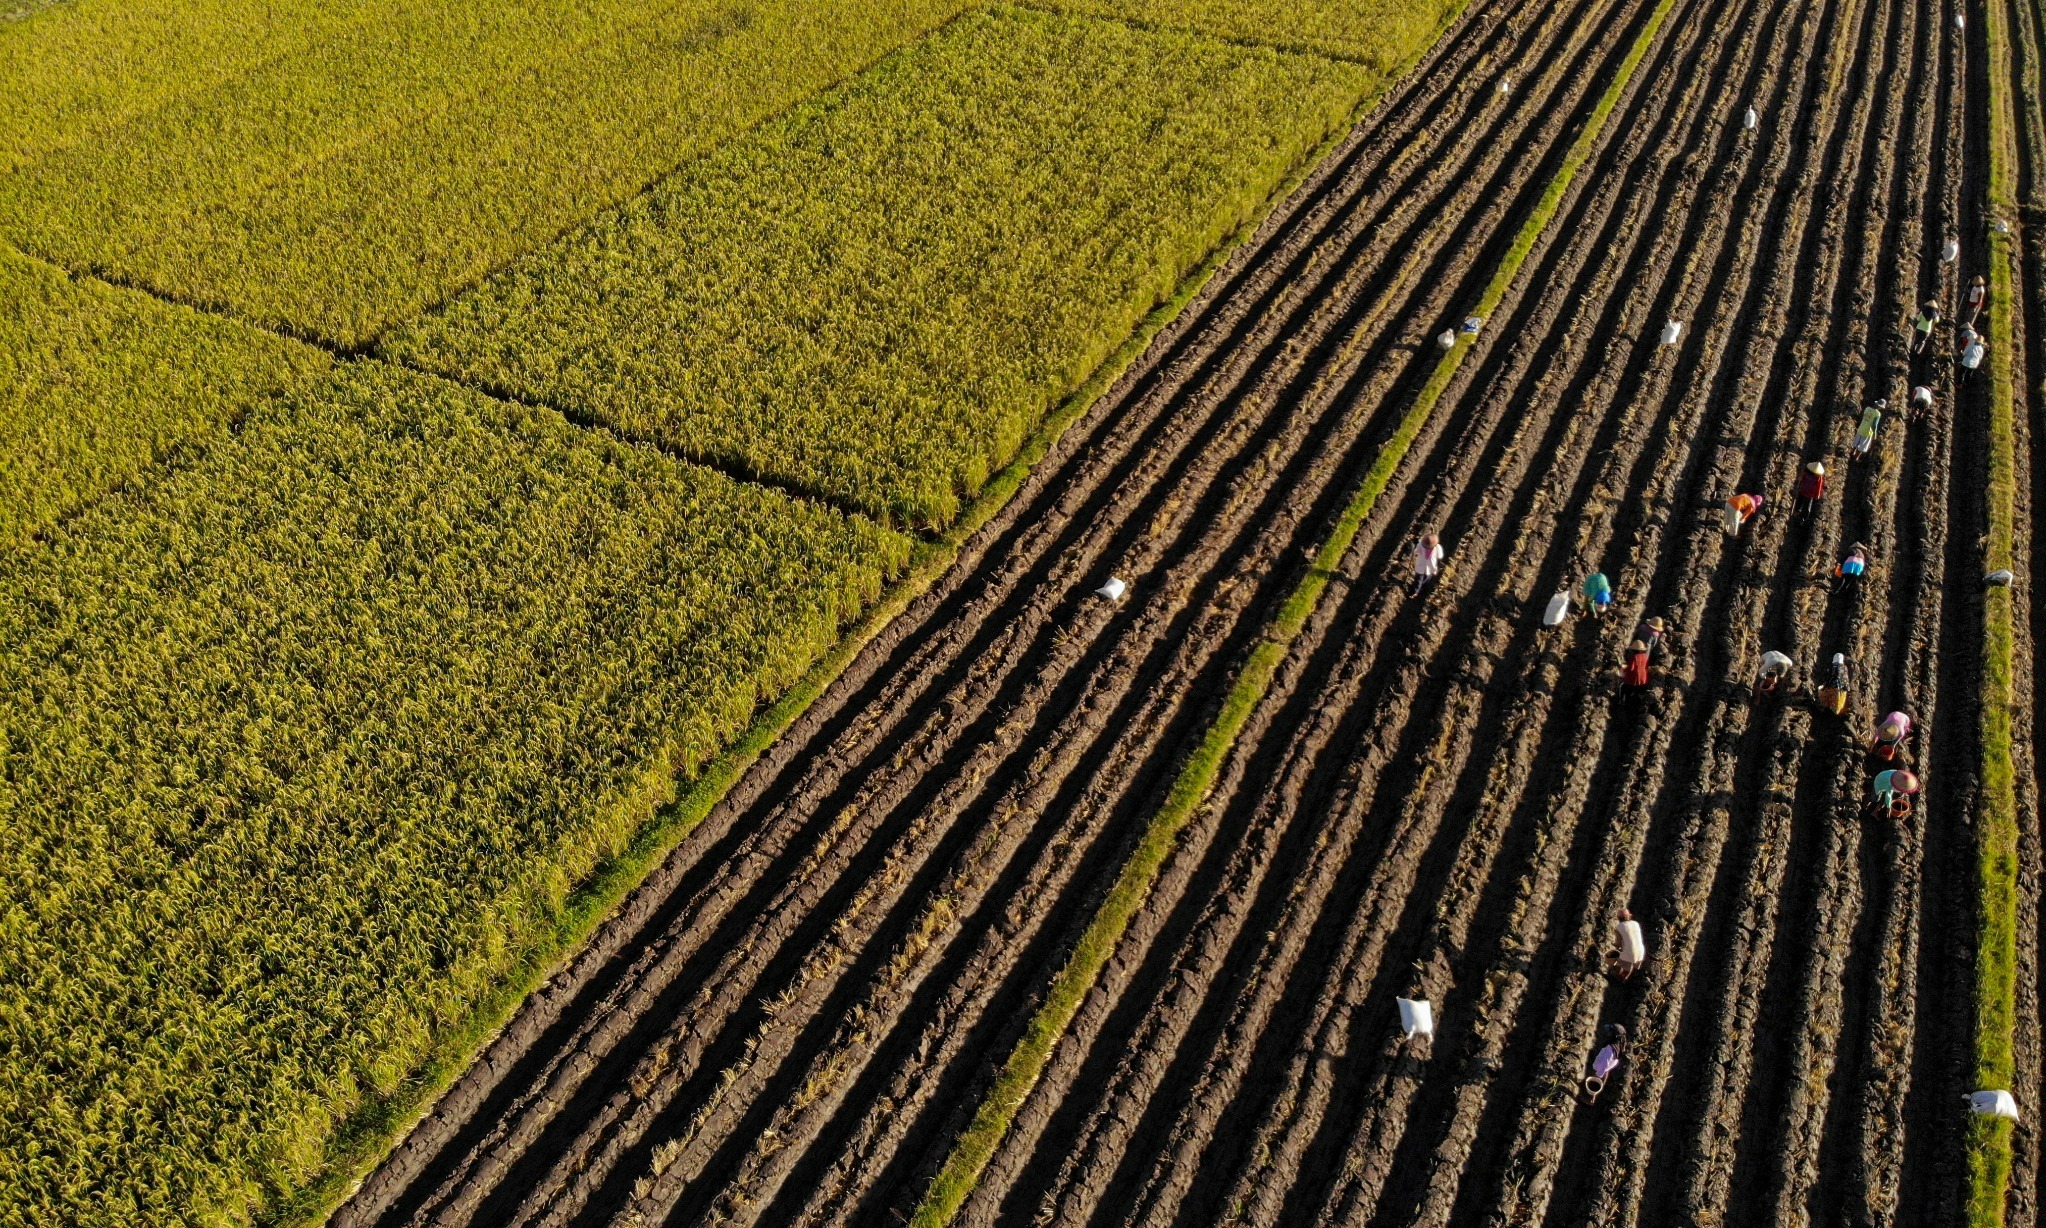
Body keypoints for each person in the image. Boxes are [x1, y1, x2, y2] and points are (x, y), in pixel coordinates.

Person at [1585, 1023, 1628, 1102]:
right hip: (1612, 1062)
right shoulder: (1620, 1042)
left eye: (1610, 1032)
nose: (1607, 1033)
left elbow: (1604, 1063)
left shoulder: (1609, 1049)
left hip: (1604, 1064)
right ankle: (1598, 1089)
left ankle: (1590, 1098)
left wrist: (1597, 1074)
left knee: (1596, 1078)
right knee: (1606, 1072)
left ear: (1614, 1035)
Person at [1607, 909, 1646, 979]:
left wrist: (1611, 943)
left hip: (1630, 953)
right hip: (1641, 952)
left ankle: (1616, 976)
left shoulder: (1620, 927)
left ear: (1619, 918)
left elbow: (1618, 944)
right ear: (1629, 916)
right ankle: (1625, 978)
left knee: (1620, 961)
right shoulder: (1635, 923)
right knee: (1630, 962)